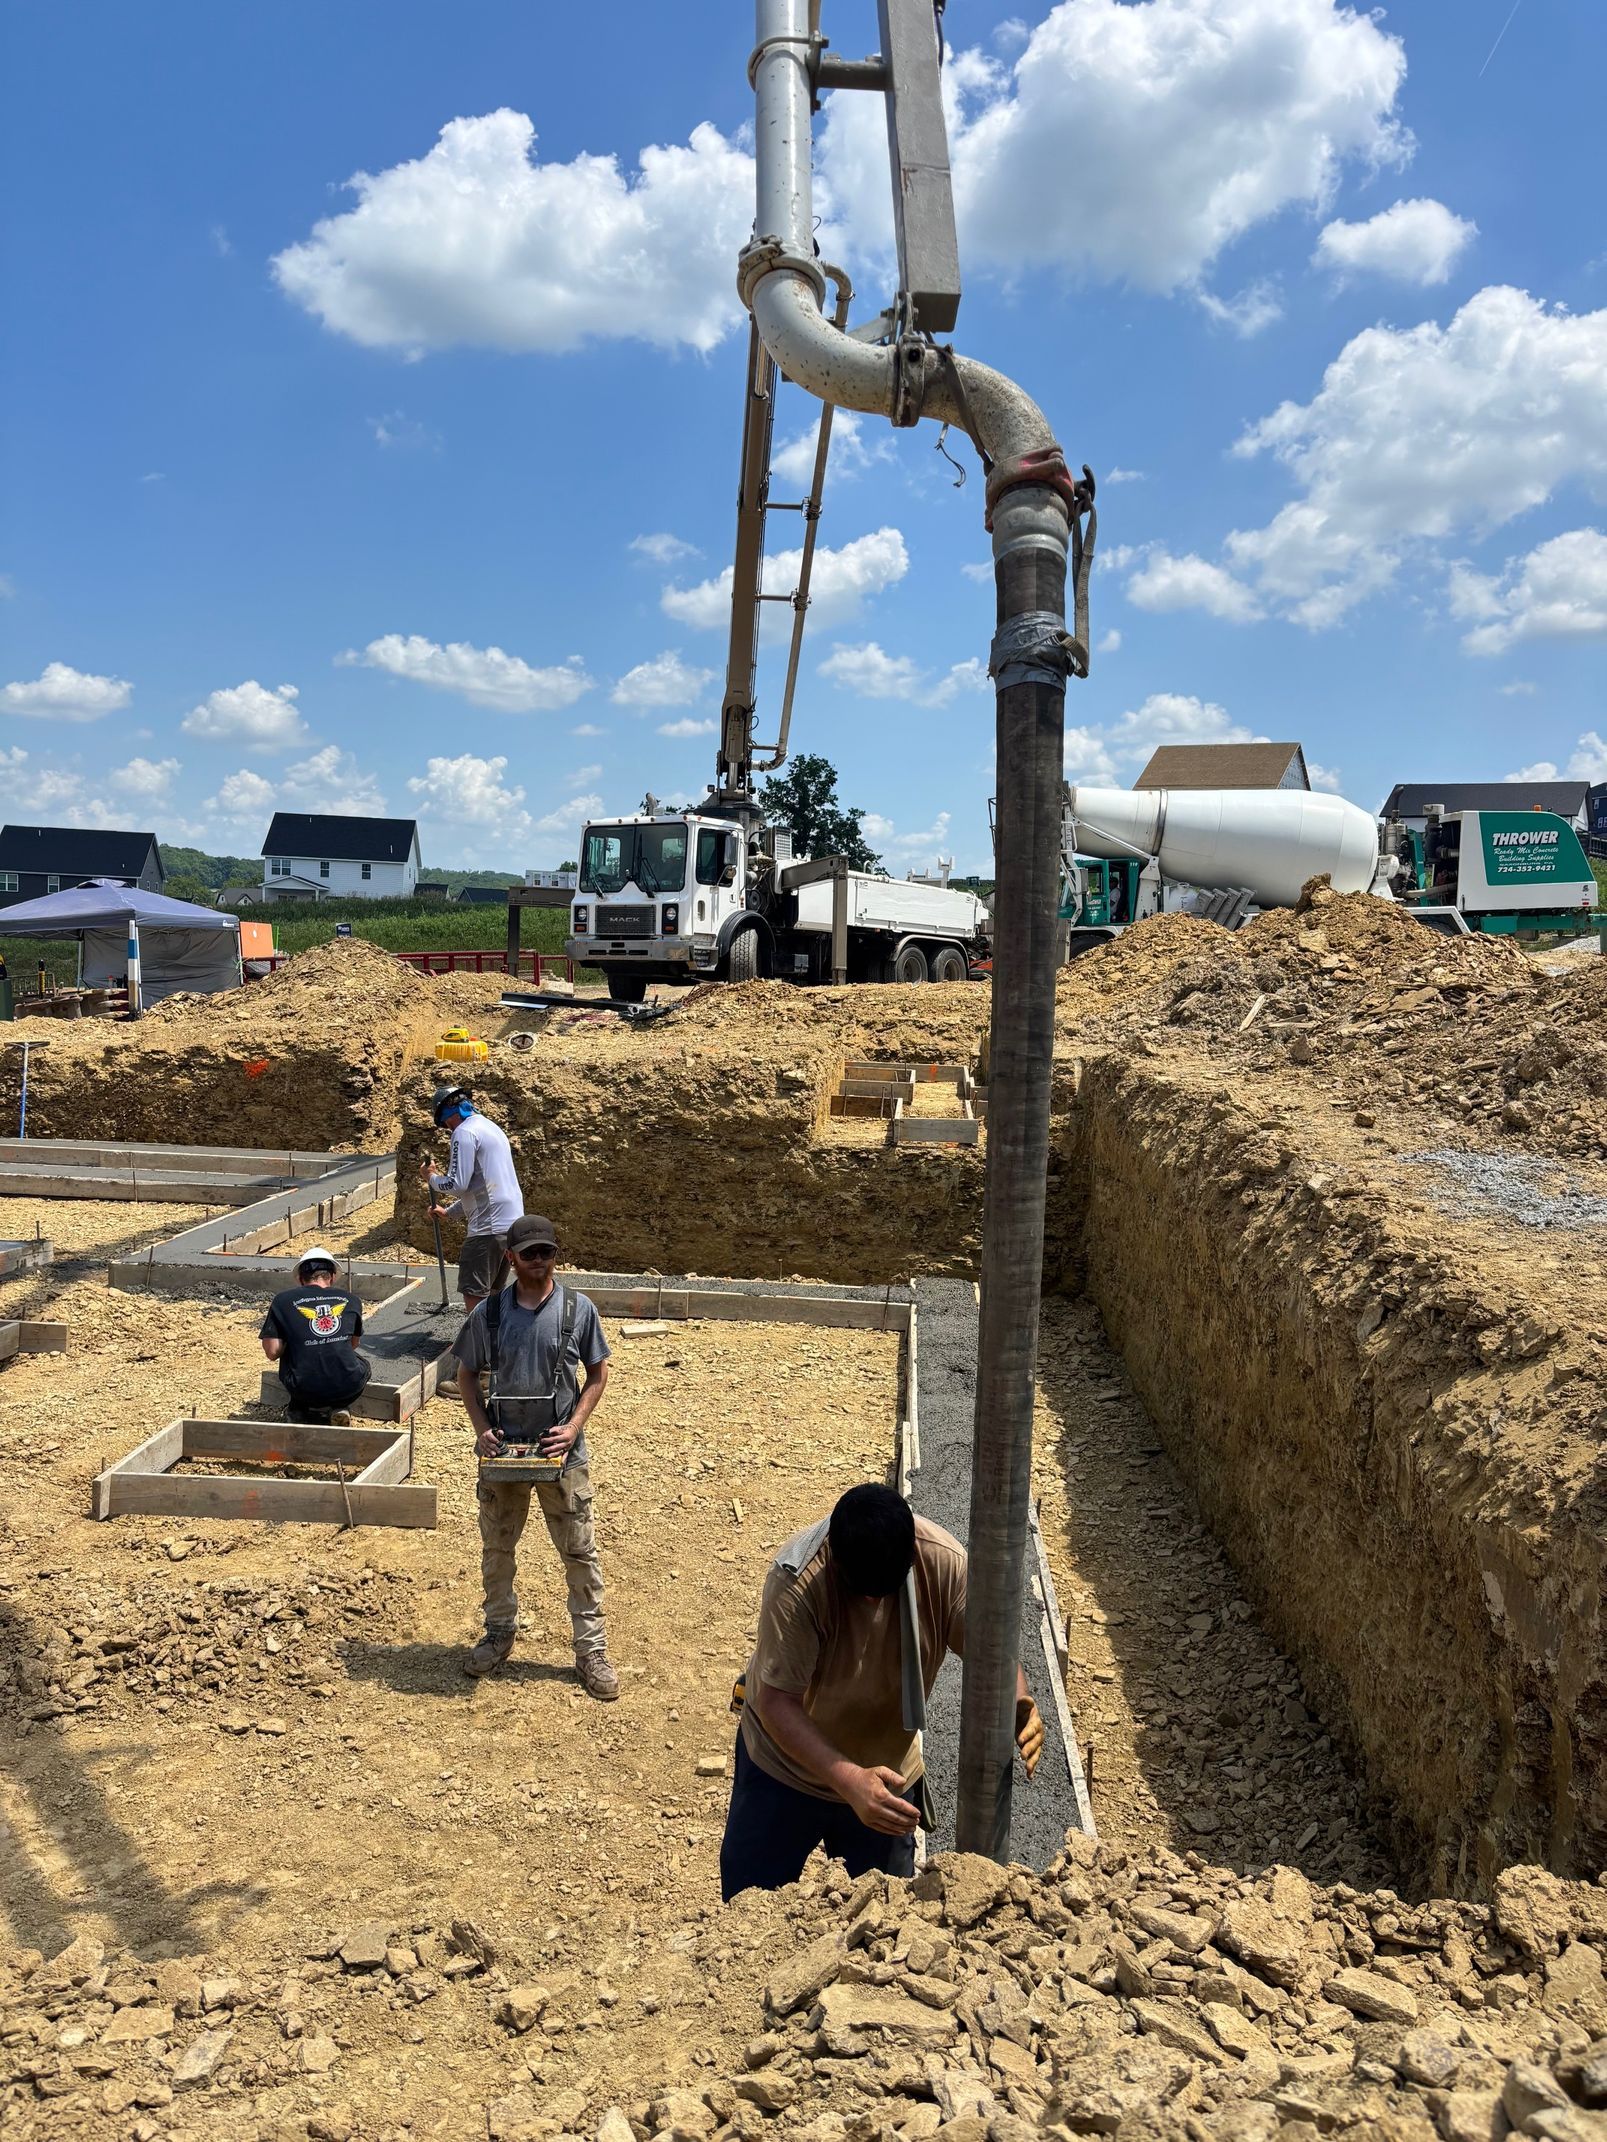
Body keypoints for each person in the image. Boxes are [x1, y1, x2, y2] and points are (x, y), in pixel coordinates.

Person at [719, 1483, 1044, 1900]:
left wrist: (1016, 1698)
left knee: (886, 1918)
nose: (873, 1605)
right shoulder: (797, 1582)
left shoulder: (942, 1562)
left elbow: (991, 1651)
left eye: (883, 1592)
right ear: (835, 1558)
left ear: (908, 1560)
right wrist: (851, 1781)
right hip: (785, 1771)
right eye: (862, 1592)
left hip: (886, 1771)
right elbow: (774, 1702)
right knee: (751, 1908)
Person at [454, 1214, 619, 1700]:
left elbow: (597, 1376)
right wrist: (482, 1431)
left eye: (547, 1252)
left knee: (579, 1551)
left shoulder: (578, 1310)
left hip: (561, 1455)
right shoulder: (487, 1314)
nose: (540, 1261)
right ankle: (499, 1632)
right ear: (511, 1258)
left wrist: (571, 1429)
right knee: (498, 1548)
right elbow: (466, 1376)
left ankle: (591, 1650)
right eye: (530, 1254)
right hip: (505, 1452)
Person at [422, 1085, 524, 1310]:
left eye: (446, 1124)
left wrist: (431, 1177)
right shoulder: (491, 1128)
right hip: (510, 1225)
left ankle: (478, 1343)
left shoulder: (464, 1132)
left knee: (474, 1294)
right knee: (493, 1294)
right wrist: (449, 1212)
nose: (448, 1129)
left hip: (487, 1228)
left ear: (448, 1115)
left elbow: (456, 1184)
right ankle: (494, 1342)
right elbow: (483, 1186)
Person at [259, 1247, 371, 1424]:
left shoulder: (283, 1300)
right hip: (348, 1386)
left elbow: (272, 1352)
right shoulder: (351, 1299)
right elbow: (353, 1344)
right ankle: (340, 1406)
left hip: (303, 1389)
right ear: (332, 1276)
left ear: (301, 1278)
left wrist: (298, 1340)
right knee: (361, 1363)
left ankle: (298, 1409)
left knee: (292, 1351)